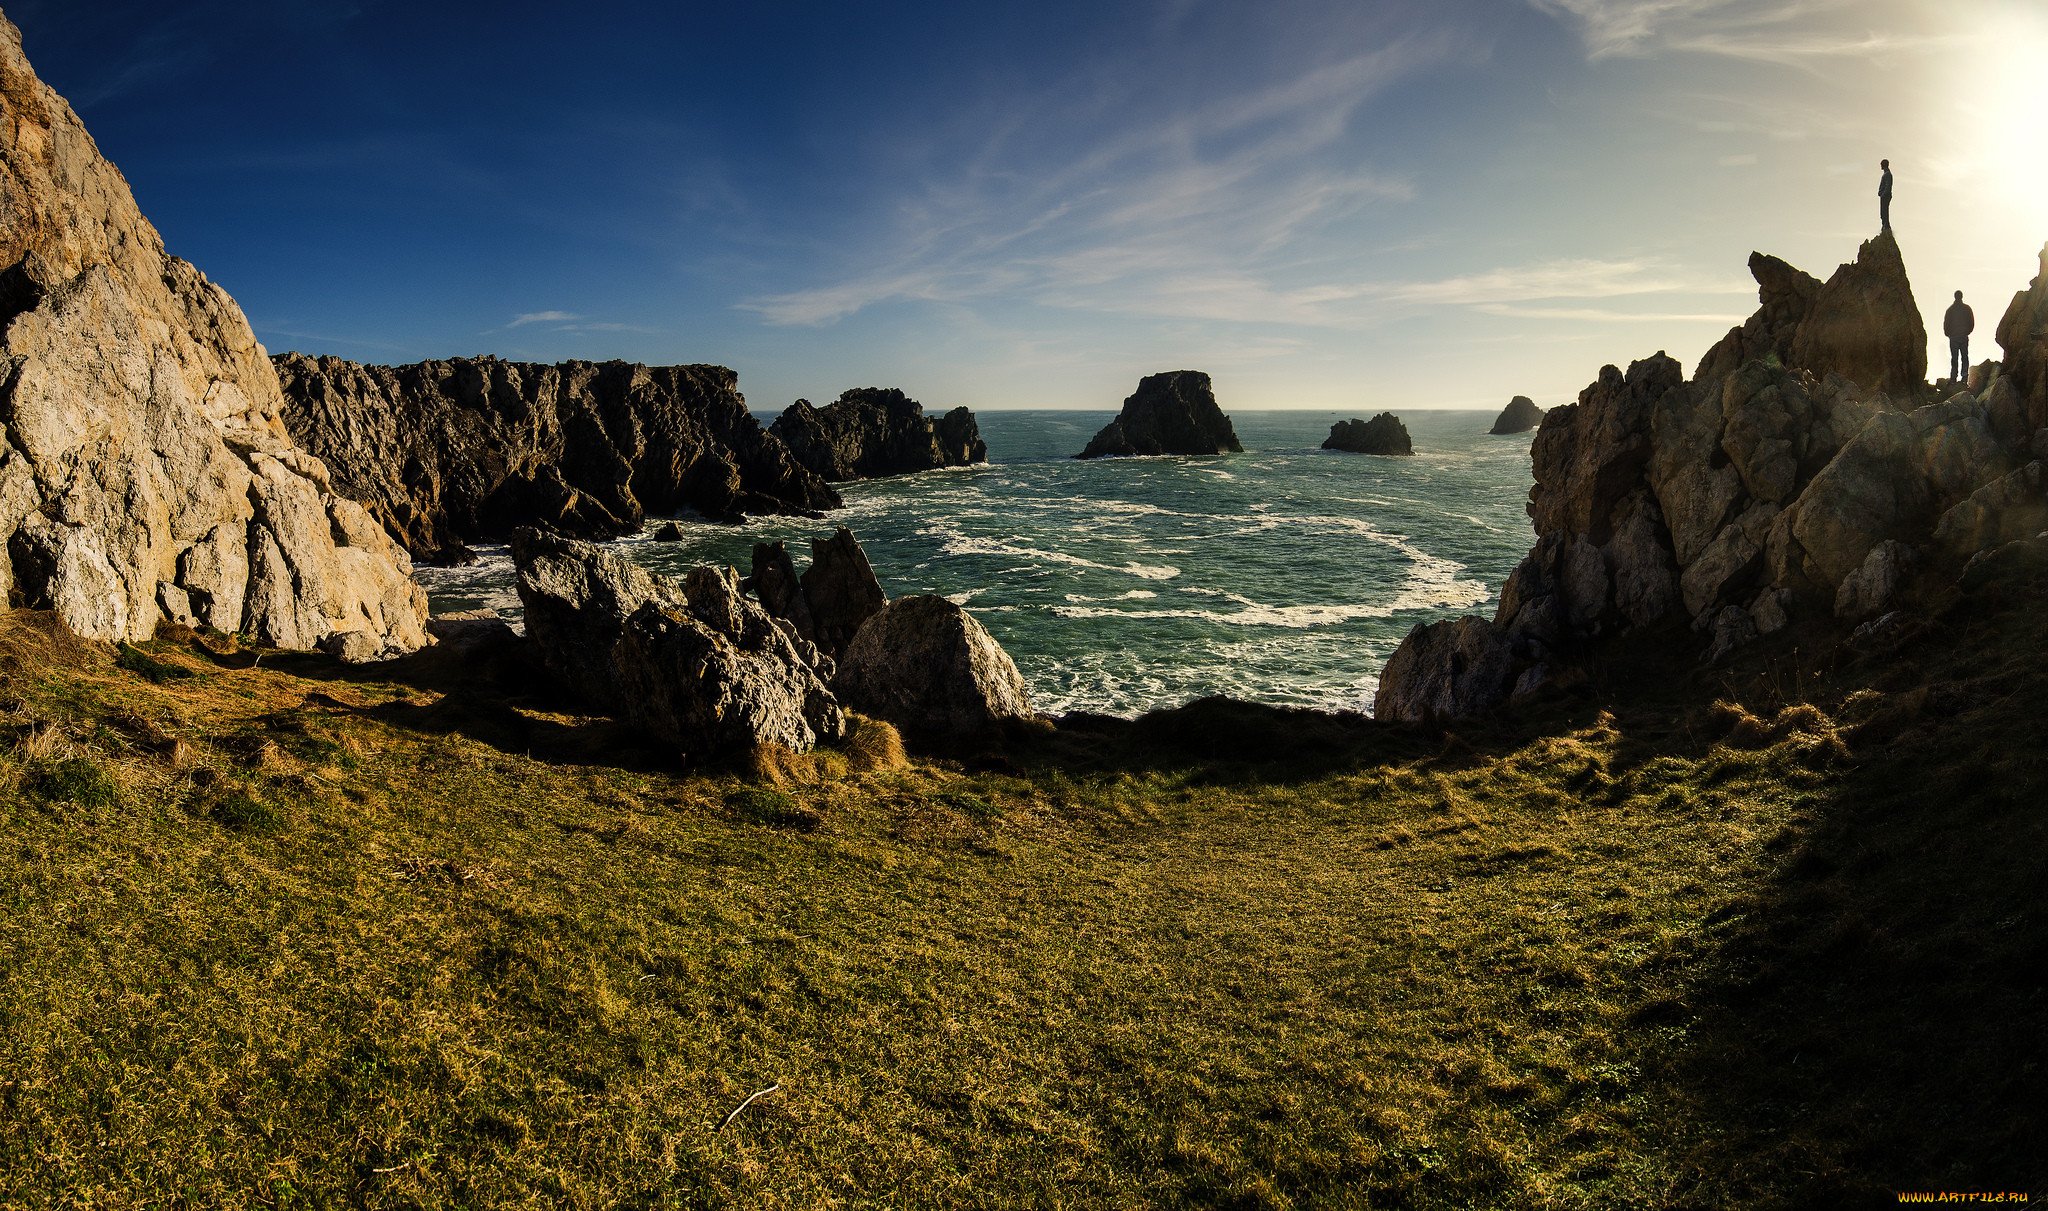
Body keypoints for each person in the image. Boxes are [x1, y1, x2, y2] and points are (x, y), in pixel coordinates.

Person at [1945, 290, 1974, 383]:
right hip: (1961, 336)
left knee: (1955, 358)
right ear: (1961, 296)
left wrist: (1948, 333)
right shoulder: (1966, 308)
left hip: (1954, 337)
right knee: (1964, 357)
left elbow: (1946, 323)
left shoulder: (1950, 310)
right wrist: (1967, 332)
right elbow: (1971, 322)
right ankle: (1964, 377)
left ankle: (1954, 377)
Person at [1879, 159, 1893, 231]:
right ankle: (1885, 226)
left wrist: (1883, 194)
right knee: (1883, 212)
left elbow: (1888, 186)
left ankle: (1886, 227)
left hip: (1885, 196)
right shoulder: (1886, 174)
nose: (1880, 166)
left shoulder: (1887, 174)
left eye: (1881, 164)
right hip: (1884, 195)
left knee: (1884, 212)